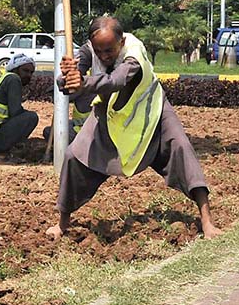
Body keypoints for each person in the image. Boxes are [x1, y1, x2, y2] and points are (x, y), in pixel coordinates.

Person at [47, 16, 222, 240]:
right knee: (73, 156)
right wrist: (67, 78)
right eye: (99, 51)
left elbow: (116, 80)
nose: (103, 56)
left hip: (151, 112)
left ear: (121, 42)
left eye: (109, 51)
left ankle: (207, 221)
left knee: (181, 148)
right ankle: (62, 223)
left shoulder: (134, 52)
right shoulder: (89, 50)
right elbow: (69, 85)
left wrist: (84, 83)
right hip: (110, 116)